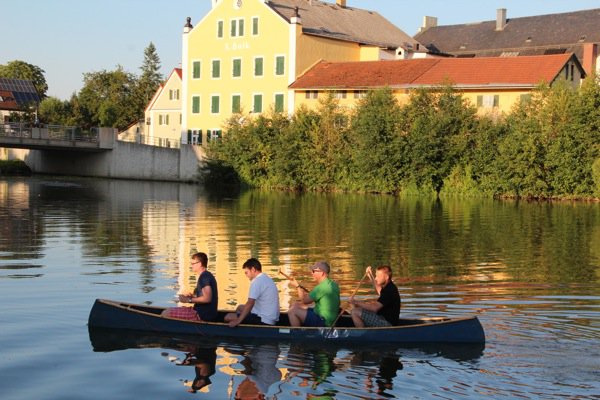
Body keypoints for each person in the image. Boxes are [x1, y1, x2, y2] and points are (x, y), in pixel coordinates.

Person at [161, 252, 218, 321]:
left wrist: (188, 300)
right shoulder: (207, 275)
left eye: (193, 264)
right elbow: (205, 297)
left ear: (199, 264)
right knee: (168, 310)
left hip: (201, 315)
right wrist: (192, 296)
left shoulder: (204, 277)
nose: (191, 266)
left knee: (166, 313)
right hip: (204, 313)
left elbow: (207, 299)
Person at [225, 258, 280, 327]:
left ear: (253, 269)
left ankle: (241, 326)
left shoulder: (256, 281)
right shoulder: (266, 278)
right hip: (272, 318)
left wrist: (238, 320)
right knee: (240, 307)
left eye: (246, 272)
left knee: (228, 316)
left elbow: (250, 303)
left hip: (264, 320)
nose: (246, 275)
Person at [287, 261, 340, 327]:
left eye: (313, 271)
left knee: (292, 311)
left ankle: (297, 334)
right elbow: (310, 298)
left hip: (324, 321)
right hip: (328, 317)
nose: (311, 273)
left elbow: (304, 301)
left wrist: (297, 286)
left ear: (322, 273)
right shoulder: (332, 283)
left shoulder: (321, 287)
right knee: (295, 304)